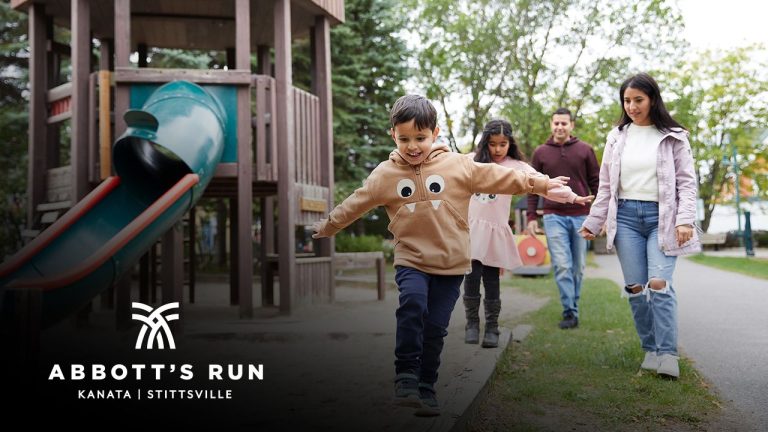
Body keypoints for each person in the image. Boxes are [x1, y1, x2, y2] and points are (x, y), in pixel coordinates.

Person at [312, 95, 574, 417]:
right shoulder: (385, 174)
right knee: (412, 304)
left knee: (436, 326)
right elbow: (357, 201)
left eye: (420, 138)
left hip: (451, 263)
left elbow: (502, 177)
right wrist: (329, 224)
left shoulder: (458, 166)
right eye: (404, 138)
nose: (413, 146)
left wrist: (542, 185)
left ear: (435, 134)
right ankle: (406, 375)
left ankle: (427, 387)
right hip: (412, 258)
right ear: (393, 134)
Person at [579, 73, 700, 379]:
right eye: (627, 100)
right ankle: (651, 350)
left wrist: (685, 220)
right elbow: (606, 186)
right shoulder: (617, 137)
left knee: (659, 284)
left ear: (653, 100)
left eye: (638, 100)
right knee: (635, 288)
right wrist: (594, 222)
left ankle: (668, 353)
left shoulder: (673, 136)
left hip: (664, 218)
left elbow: (687, 183)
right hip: (626, 219)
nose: (632, 106)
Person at [463, 119, 593, 348]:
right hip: (473, 229)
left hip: (495, 231)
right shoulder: (471, 162)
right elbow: (444, 165)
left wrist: (572, 197)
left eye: (502, 144)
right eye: (493, 144)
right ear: (485, 142)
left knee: (492, 278)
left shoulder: (517, 166)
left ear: (509, 143)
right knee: (471, 277)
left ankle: (492, 327)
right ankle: (472, 324)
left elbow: (543, 183)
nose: (497, 149)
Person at [526, 108, 600, 329]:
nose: (560, 127)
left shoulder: (585, 150)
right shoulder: (540, 152)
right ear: (551, 124)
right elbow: (532, 187)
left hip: (581, 216)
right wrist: (531, 216)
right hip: (553, 216)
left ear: (571, 125)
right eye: (556, 123)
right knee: (562, 265)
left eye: (564, 123)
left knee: (578, 267)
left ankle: (573, 307)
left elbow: (596, 184)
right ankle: (569, 311)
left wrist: (599, 216)